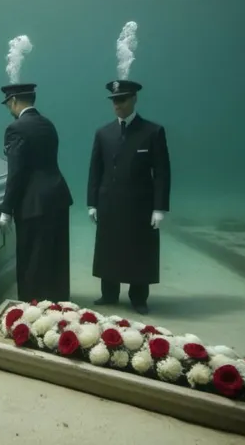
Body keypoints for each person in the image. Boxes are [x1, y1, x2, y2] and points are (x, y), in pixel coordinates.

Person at [87, 80, 171, 315]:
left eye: (122, 99)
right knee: (109, 247)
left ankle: (138, 297)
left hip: (140, 205)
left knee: (139, 249)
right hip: (109, 203)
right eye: (114, 100)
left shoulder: (152, 131)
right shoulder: (103, 133)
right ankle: (109, 293)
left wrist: (159, 208)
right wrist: (92, 202)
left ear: (134, 98)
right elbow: (96, 169)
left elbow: (162, 172)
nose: (118, 105)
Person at [0, 83, 74, 303]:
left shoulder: (15, 129)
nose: (8, 109)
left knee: (31, 256)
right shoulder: (48, 124)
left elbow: (16, 172)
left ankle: (32, 303)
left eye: (8, 104)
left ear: (13, 101)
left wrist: (6, 210)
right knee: (55, 253)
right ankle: (59, 299)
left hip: (33, 203)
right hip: (58, 196)